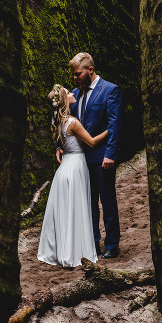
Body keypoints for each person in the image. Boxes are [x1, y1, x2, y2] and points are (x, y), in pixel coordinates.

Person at [57, 52, 122, 259]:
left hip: (103, 158)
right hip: (81, 159)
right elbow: (67, 121)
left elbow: (114, 125)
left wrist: (110, 154)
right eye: (74, 75)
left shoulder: (110, 90)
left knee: (108, 201)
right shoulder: (76, 93)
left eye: (78, 74)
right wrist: (61, 145)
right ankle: (93, 243)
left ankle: (112, 244)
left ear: (90, 70)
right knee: (89, 203)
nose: (75, 78)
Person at [38, 84, 108, 268]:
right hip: (76, 166)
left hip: (64, 169)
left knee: (67, 211)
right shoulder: (73, 122)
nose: (72, 93)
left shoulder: (58, 122)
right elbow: (91, 142)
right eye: (68, 93)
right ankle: (74, 251)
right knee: (77, 208)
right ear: (63, 100)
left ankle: (64, 249)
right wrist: (110, 130)